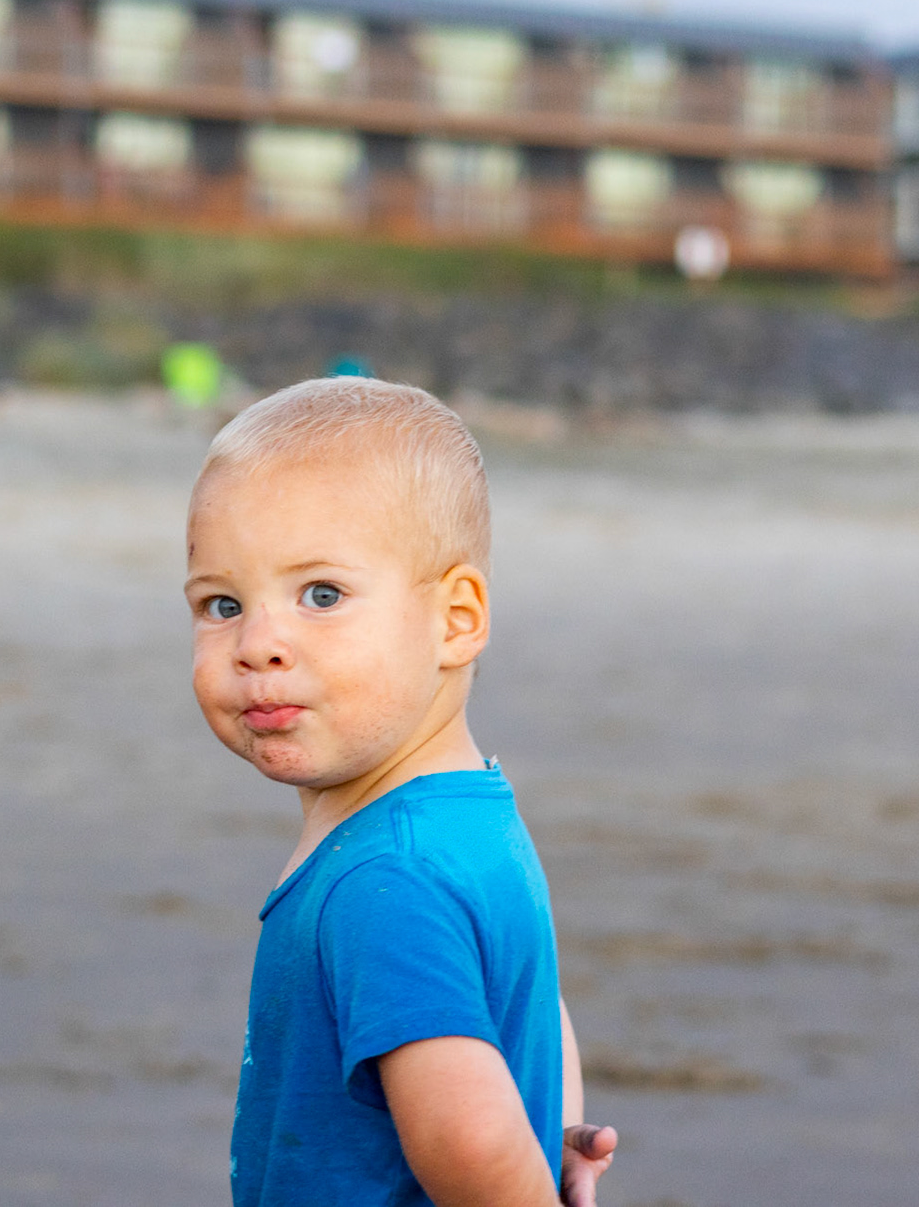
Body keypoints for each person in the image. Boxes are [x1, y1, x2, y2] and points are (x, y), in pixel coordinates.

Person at [184, 376, 617, 1207]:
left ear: (456, 620)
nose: (258, 643)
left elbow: (469, 1138)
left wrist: (515, 1175)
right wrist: (550, 1139)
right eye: (222, 603)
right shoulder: (469, 818)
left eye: (322, 595)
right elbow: (534, 1006)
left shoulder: (383, 880)